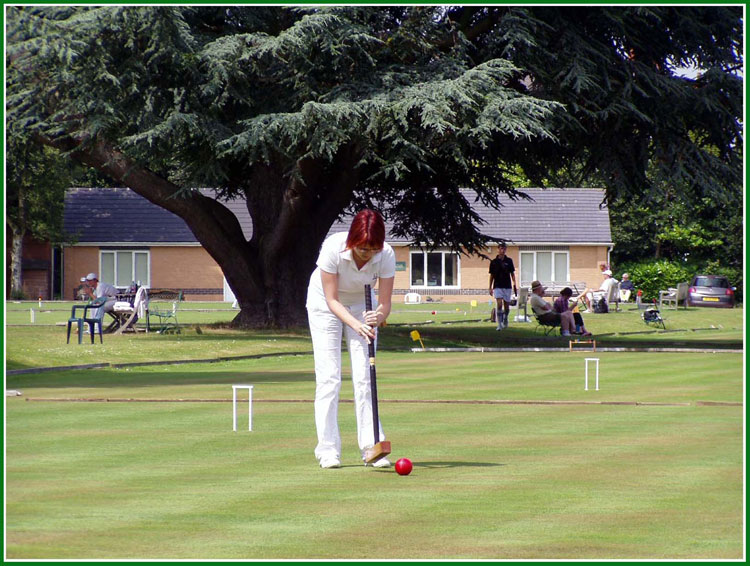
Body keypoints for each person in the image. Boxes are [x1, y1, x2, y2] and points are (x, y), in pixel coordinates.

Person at [306, 210, 396, 470]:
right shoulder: (333, 248)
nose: (366, 254)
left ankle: (371, 447)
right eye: (362, 248)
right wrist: (357, 325)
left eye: (372, 249)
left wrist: (376, 318)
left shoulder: (386, 255)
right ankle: (328, 450)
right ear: (352, 240)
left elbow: (385, 303)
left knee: (365, 378)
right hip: (325, 305)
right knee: (329, 378)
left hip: (361, 307)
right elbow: (332, 300)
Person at [488, 243, 517, 331]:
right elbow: (492, 275)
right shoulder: (493, 262)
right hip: (497, 286)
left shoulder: (509, 261)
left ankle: (505, 319)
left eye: (504, 249)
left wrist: (514, 284)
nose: (502, 250)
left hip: (507, 286)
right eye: (501, 248)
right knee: (499, 304)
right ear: (498, 249)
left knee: (506, 306)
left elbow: (512, 273)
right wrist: (490, 287)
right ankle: (499, 324)